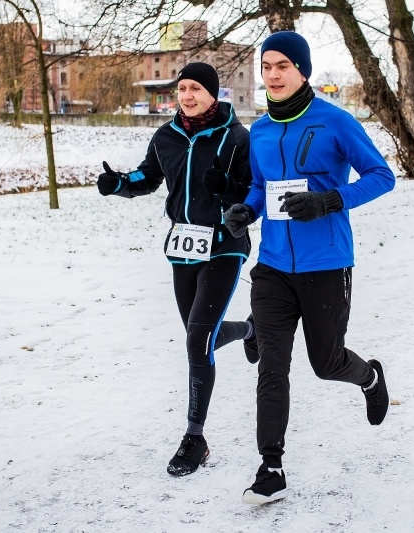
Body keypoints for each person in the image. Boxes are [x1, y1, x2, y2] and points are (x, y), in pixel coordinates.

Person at [222, 31, 395, 505]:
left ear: (302, 70)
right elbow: (260, 187)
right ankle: (271, 467)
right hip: (273, 267)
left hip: (326, 264)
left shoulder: (335, 121)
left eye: (282, 66)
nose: (272, 75)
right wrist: (248, 210)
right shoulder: (259, 130)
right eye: (266, 66)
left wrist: (329, 200)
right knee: (273, 368)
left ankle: (370, 377)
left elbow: (383, 176)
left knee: (326, 363)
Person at [97, 62, 256, 477]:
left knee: (197, 341)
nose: (187, 95)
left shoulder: (237, 138)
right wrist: (118, 184)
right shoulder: (165, 136)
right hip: (184, 248)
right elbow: (148, 177)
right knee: (198, 337)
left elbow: (250, 195)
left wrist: (230, 193)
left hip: (224, 245)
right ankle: (252, 330)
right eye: (182, 88)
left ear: (213, 94)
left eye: (195, 89)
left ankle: (195, 437)